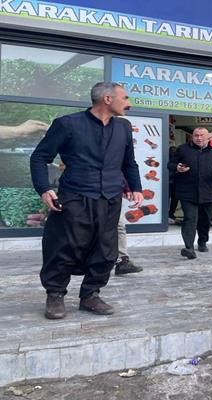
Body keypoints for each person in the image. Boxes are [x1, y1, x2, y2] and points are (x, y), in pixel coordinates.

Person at [30, 82, 143, 319]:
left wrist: (136, 187)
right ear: (107, 99)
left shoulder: (123, 127)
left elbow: (128, 162)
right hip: (75, 196)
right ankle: (55, 294)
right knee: (64, 247)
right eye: (125, 97)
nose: (129, 103)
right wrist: (44, 189)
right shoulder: (68, 124)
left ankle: (90, 295)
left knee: (106, 249)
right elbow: (40, 157)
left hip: (111, 197)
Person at [169, 127, 212, 259]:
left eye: (201, 135)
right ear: (192, 136)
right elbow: (171, 164)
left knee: (204, 220)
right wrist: (177, 168)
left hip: (209, 191)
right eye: (196, 135)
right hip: (187, 191)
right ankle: (189, 248)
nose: (198, 138)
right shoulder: (183, 149)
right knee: (190, 219)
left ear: (208, 137)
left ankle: (202, 242)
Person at [168, 146, 179, 224]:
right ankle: (169, 214)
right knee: (169, 199)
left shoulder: (177, 160)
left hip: (175, 182)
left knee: (174, 199)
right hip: (169, 182)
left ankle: (171, 214)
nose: (173, 152)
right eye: (172, 151)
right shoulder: (167, 159)